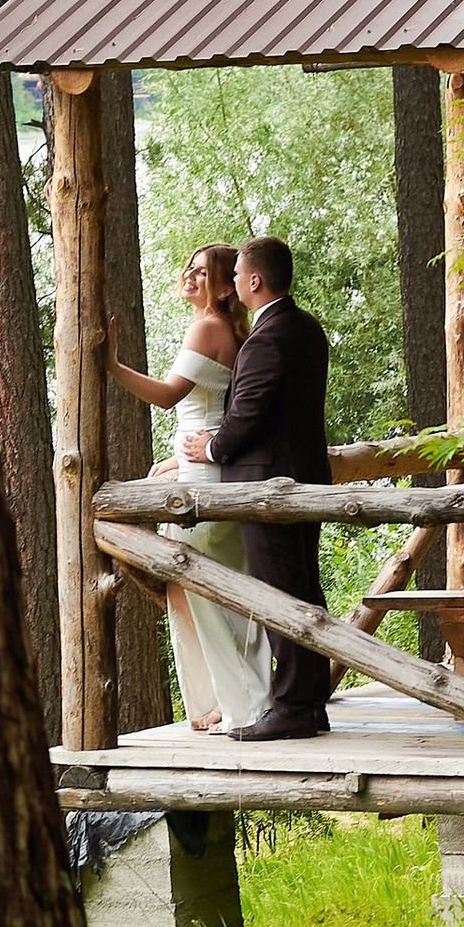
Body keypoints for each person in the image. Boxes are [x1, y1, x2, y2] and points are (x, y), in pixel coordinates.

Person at [106, 246, 274, 732]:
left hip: (204, 479)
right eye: (190, 267)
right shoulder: (228, 330)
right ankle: (224, 698)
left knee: (202, 589)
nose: (190, 275)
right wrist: (177, 460)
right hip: (202, 466)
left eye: (204, 272)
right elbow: (212, 411)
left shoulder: (207, 327)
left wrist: (112, 366)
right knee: (193, 589)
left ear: (225, 288)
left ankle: (243, 702)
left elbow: (169, 396)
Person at [182, 233, 335, 743]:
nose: (231, 283)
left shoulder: (268, 338)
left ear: (254, 280)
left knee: (278, 594)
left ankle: (291, 708)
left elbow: (249, 410)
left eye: (236, 275)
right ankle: (310, 702)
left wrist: (211, 448)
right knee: (304, 588)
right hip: (305, 476)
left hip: (268, 485)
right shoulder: (307, 327)